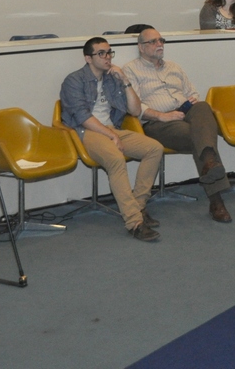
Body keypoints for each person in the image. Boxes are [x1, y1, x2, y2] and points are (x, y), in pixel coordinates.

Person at [123, 27, 233, 223]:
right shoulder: (131, 70)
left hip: (186, 113)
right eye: (153, 42)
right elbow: (135, 107)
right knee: (199, 137)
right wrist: (162, 116)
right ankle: (216, 199)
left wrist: (188, 103)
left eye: (161, 40)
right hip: (158, 123)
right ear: (141, 47)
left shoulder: (174, 67)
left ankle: (209, 162)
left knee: (202, 106)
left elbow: (193, 92)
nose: (160, 45)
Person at [59, 37, 163, 242]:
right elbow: (82, 117)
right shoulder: (73, 80)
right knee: (115, 160)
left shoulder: (112, 79)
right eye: (101, 53)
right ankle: (134, 222)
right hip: (86, 132)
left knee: (154, 148)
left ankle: (139, 205)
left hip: (111, 129)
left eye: (109, 53)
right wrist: (111, 135)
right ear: (88, 58)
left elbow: (134, 110)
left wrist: (125, 80)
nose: (107, 57)